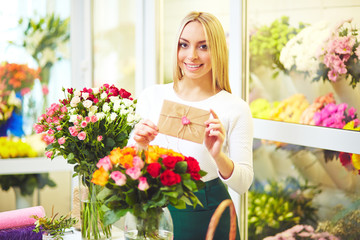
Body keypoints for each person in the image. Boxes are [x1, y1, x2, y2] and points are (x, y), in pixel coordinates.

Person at [129, 11, 253, 240]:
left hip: (207, 214)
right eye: (184, 45)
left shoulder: (235, 107)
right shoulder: (152, 96)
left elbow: (243, 183)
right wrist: (139, 144)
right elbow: (130, 168)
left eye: (203, 47)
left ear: (218, 51)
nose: (191, 55)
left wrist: (218, 156)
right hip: (152, 211)